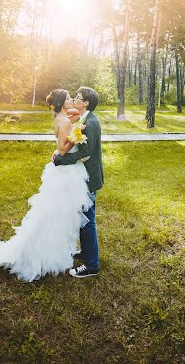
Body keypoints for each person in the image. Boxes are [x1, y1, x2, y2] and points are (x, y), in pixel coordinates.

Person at [0, 89, 93, 282]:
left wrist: (76, 124)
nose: (71, 101)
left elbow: (76, 116)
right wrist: (77, 136)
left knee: (57, 213)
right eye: (68, 98)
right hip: (66, 172)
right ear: (61, 103)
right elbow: (62, 150)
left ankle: (56, 249)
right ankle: (46, 253)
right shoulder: (66, 121)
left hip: (63, 172)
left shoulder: (63, 118)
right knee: (59, 214)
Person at [53, 86, 103, 278]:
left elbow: (85, 153)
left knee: (88, 220)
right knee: (84, 218)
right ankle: (86, 252)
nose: (74, 99)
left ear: (86, 103)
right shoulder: (86, 119)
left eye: (78, 97)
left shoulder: (90, 123)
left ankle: (92, 265)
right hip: (85, 175)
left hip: (89, 178)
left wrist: (60, 159)